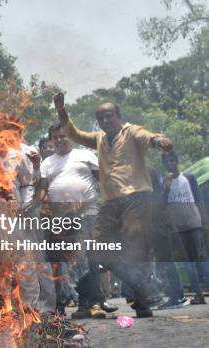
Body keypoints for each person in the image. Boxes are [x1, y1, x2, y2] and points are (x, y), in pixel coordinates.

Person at [52, 92, 173, 318]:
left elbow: (148, 136)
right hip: (110, 204)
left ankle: (142, 301)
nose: (106, 121)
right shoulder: (98, 138)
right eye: (101, 118)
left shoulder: (131, 132)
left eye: (109, 116)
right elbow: (74, 133)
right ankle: (139, 287)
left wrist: (159, 141)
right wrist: (61, 110)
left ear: (119, 116)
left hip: (136, 200)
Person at [28, 124, 110, 318]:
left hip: (87, 213)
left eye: (63, 136)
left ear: (71, 137)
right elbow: (42, 189)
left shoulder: (85, 155)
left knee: (90, 258)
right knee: (74, 261)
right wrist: (32, 205)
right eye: (55, 137)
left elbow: (103, 181)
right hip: (62, 218)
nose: (59, 140)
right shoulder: (48, 163)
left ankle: (95, 303)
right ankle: (84, 305)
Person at [162, 151, 209, 305]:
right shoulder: (164, 183)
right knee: (188, 263)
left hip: (194, 223)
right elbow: (162, 204)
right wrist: (167, 187)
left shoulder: (189, 178)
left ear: (176, 161)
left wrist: (205, 222)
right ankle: (198, 295)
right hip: (178, 228)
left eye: (171, 160)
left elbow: (199, 199)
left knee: (201, 259)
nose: (169, 163)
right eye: (166, 161)